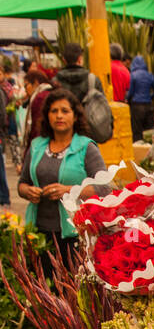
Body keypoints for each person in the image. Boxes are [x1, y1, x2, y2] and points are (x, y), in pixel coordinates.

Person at [17, 87, 106, 273]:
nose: (59, 116)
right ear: (47, 116)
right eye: (54, 111)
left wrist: (67, 191)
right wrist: (28, 191)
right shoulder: (37, 146)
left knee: (73, 290)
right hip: (39, 232)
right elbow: (22, 183)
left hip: (75, 233)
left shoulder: (86, 147)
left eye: (65, 111)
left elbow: (103, 187)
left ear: (75, 116)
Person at [19, 67, 54, 166]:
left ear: (36, 82)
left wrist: (27, 156)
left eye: (26, 85)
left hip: (39, 149)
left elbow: (35, 129)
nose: (25, 90)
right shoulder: (48, 93)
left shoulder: (39, 98)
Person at [126, 55, 154, 141]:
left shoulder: (133, 75)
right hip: (148, 105)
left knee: (137, 131)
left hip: (136, 106)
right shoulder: (149, 75)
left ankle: (139, 150)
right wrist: (150, 97)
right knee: (149, 132)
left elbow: (131, 92)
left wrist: (128, 100)